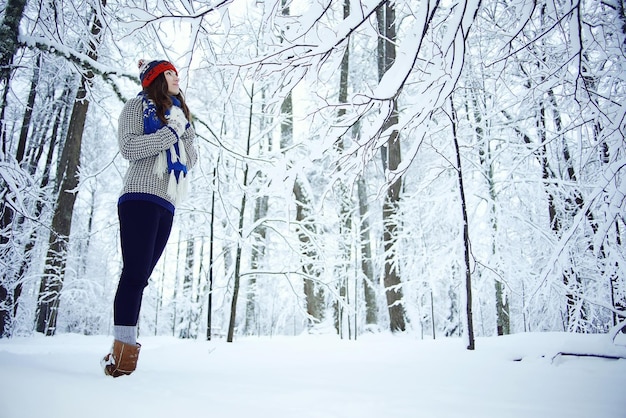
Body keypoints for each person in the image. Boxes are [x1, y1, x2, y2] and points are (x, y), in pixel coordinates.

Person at [101, 59, 198, 377]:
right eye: (169, 73)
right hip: (139, 197)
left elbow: (191, 157)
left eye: (177, 73)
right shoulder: (136, 107)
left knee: (141, 278)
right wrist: (170, 134)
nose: (176, 77)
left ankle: (122, 353)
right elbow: (129, 147)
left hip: (167, 202)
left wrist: (179, 131)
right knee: (134, 273)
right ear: (156, 78)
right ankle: (122, 356)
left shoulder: (181, 117)